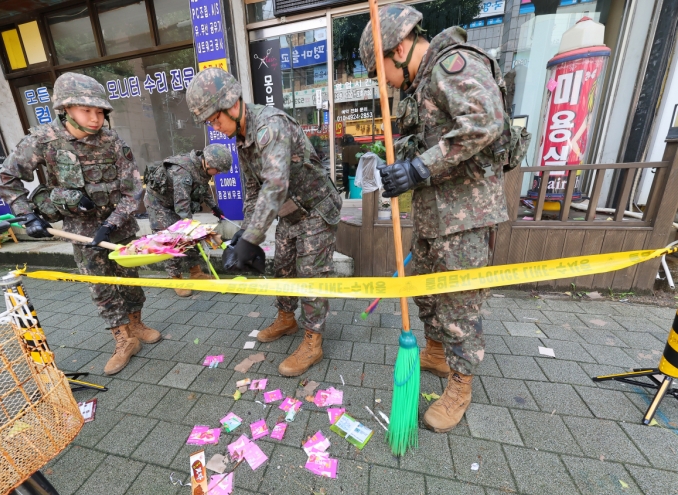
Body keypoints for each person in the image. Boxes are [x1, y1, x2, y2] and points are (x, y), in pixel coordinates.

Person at [359, 4, 509, 432]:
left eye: (380, 70)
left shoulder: (452, 65)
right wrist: (396, 163)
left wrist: (418, 168)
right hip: (432, 216)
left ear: (401, 47)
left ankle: (461, 386)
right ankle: (437, 355)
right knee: (427, 294)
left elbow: (485, 122)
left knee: (460, 307)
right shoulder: (421, 84)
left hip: (464, 217)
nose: (381, 81)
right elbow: (427, 138)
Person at [0, 72, 161, 376]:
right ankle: (123, 340)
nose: (95, 118)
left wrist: (111, 224)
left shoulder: (113, 141)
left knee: (130, 280)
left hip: (118, 228)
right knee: (101, 286)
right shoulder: (44, 140)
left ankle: (136, 324)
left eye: (100, 112)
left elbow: (133, 189)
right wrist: (27, 215)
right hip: (80, 230)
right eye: (87, 110)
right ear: (66, 109)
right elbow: (6, 180)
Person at [186, 68, 342, 377]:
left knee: (310, 275)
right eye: (210, 123)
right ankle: (286, 318)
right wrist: (245, 231)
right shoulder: (242, 138)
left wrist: (250, 240)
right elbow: (255, 190)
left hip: (315, 209)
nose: (215, 128)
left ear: (231, 104)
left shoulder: (270, 127)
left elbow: (275, 185)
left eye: (215, 119)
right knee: (282, 265)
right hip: (288, 212)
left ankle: (313, 340)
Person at [144, 144, 232, 297]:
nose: (217, 173)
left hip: (176, 201)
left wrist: (214, 207)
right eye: (217, 170)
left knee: (190, 236)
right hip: (159, 204)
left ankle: (196, 272)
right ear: (208, 163)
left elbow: (202, 188)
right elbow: (182, 208)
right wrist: (193, 229)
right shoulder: (182, 173)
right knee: (171, 240)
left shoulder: (201, 167)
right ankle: (176, 278)